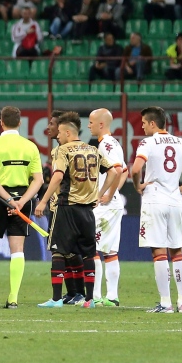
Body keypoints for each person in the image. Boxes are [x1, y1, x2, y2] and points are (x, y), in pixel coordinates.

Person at [130, 107, 182, 313]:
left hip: (154, 201)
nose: (141, 126)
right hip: (175, 202)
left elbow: (136, 168)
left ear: (152, 123)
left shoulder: (147, 142)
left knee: (158, 252)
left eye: (143, 123)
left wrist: (137, 185)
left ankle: (165, 302)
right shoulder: (181, 142)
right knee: (177, 252)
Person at [34, 112, 119, 308]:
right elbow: (114, 171)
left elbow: (56, 177)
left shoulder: (64, 150)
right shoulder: (94, 150)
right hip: (88, 211)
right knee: (89, 254)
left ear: (66, 132)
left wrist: (43, 201)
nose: (58, 137)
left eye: (60, 134)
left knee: (58, 252)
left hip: (67, 207)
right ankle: (89, 299)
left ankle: (56, 300)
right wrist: (100, 193)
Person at [0, 106, 44, 309]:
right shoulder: (30, 146)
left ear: (1, 122)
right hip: (23, 198)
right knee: (17, 249)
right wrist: (21, 201)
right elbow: (38, 180)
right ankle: (13, 299)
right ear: (20, 123)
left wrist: (8, 199)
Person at [88, 109, 129, 307]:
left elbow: (118, 170)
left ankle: (95, 296)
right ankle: (111, 297)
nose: (89, 125)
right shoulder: (114, 144)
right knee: (111, 251)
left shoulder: (106, 144)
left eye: (91, 122)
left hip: (105, 206)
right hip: (112, 205)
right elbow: (124, 171)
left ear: (101, 124)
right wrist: (114, 193)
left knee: (93, 248)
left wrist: (107, 194)